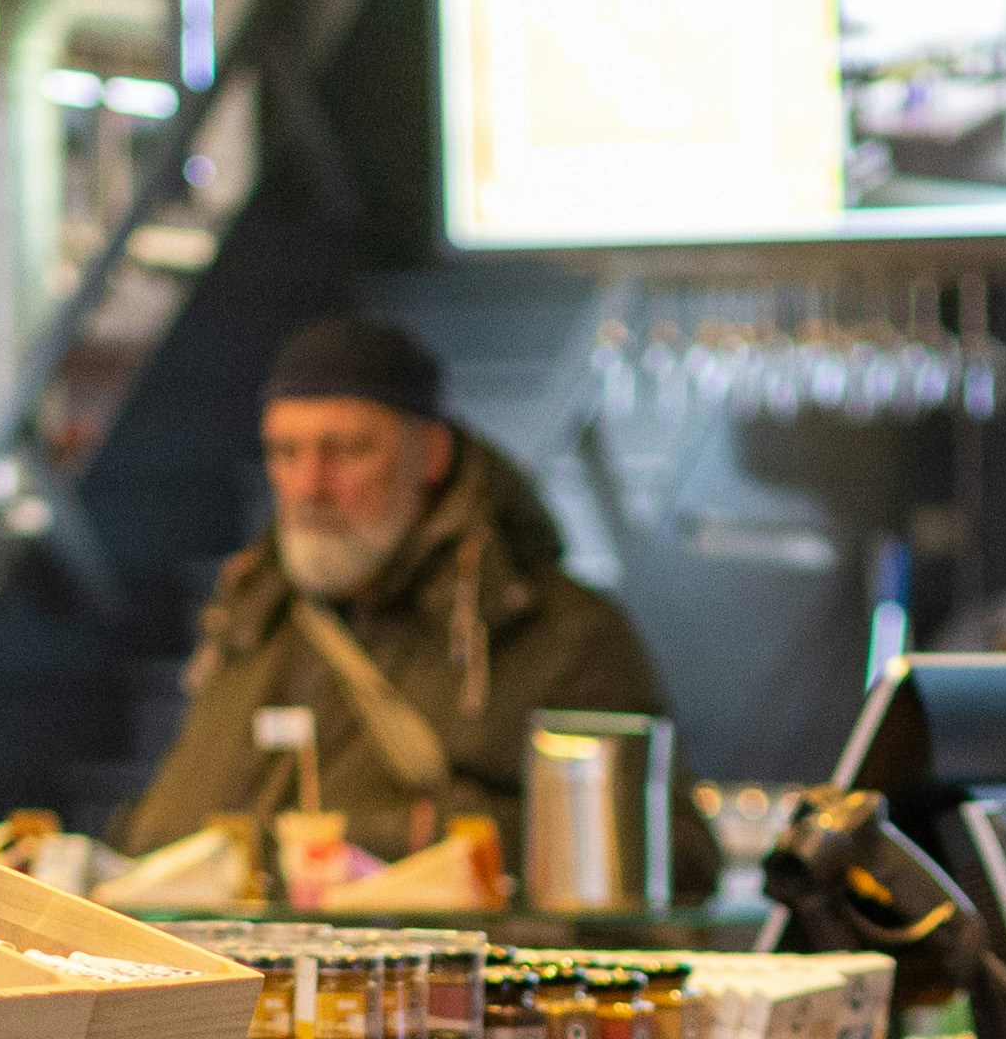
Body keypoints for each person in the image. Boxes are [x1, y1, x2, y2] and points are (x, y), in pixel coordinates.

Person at [112, 313, 660, 863]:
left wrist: (408, 841)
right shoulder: (252, 614)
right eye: (285, 452)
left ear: (432, 454)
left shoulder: (558, 632)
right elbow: (167, 824)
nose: (308, 486)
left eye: (346, 451)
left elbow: (653, 858)